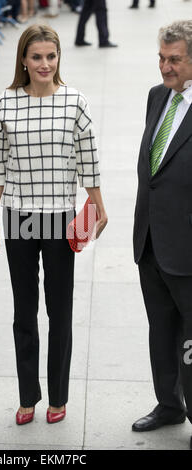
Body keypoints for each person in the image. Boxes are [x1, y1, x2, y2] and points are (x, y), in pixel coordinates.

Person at [0, 24, 107, 425]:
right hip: (19, 216)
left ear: (58, 59)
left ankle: (58, 396)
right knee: (24, 311)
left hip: (59, 217)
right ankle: (27, 396)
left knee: (60, 310)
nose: (44, 64)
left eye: (51, 57)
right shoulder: (6, 103)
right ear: (23, 59)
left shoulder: (75, 101)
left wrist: (98, 208)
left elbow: (89, 160)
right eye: (36, 57)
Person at [133, 20, 192, 449]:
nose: (164, 67)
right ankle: (168, 405)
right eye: (161, 57)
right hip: (151, 239)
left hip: (187, 246)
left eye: (174, 59)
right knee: (161, 330)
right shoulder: (157, 97)